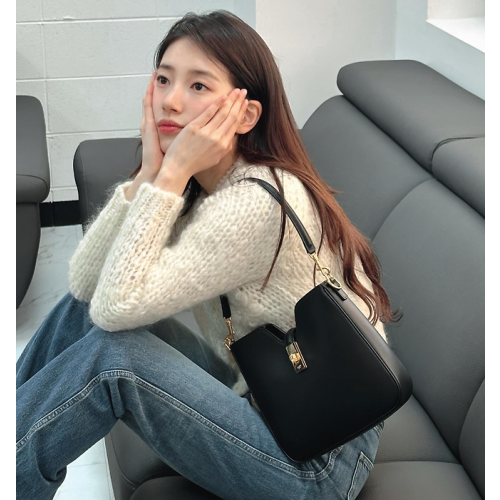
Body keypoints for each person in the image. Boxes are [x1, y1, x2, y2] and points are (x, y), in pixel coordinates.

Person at [16, 10, 400, 500]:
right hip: (266, 388)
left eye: (198, 86)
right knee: (81, 311)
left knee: (114, 357)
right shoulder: (209, 182)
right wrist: (149, 175)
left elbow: (114, 308)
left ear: (246, 115)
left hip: (318, 462)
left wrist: (170, 174)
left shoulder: (253, 203)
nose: (171, 100)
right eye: (163, 79)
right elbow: (88, 287)